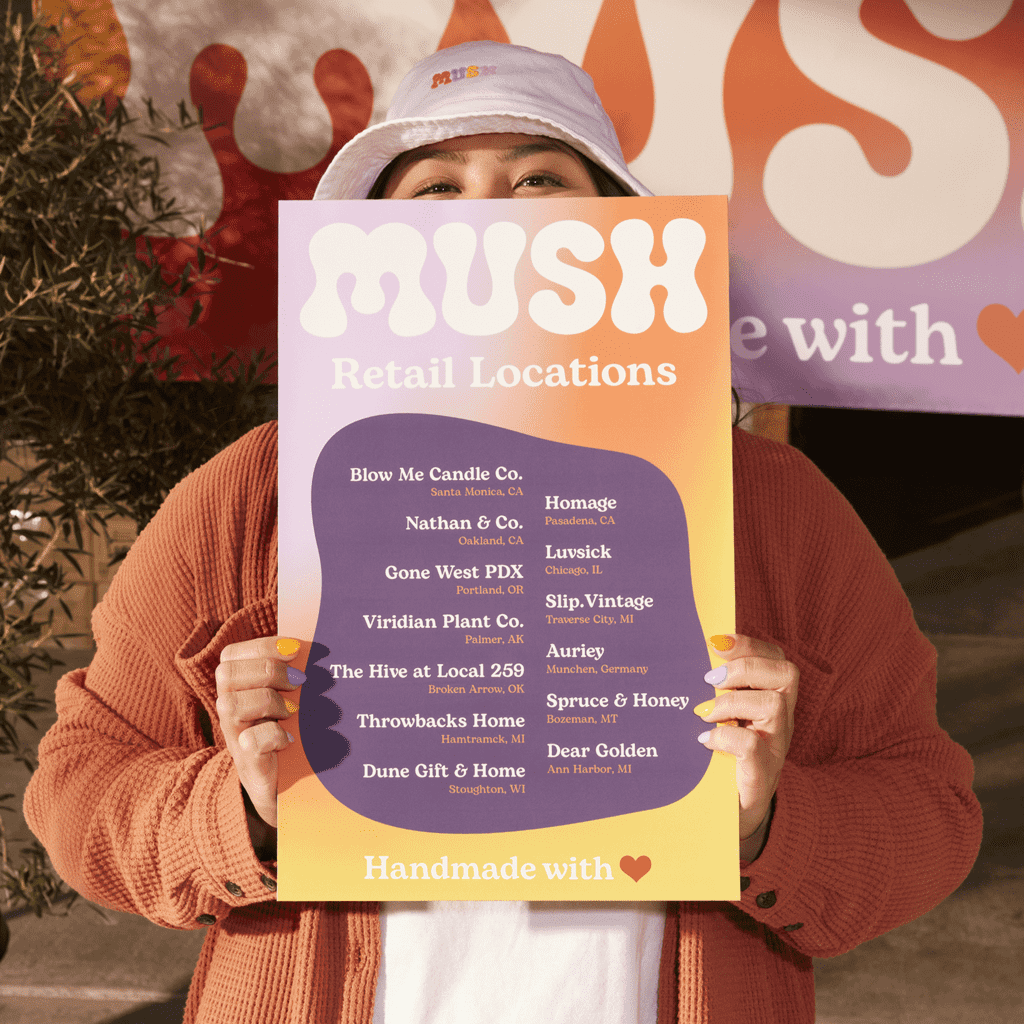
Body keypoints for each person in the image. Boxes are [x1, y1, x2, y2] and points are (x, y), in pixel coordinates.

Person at [25, 40, 981, 1024]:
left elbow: (931, 818)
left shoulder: (775, 509)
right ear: (369, 248)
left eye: (537, 179)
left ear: (616, 232)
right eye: (434, 187)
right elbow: (79, 795)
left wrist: (769, 820)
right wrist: (241, 809)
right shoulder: (249, 496)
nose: (484, 213)